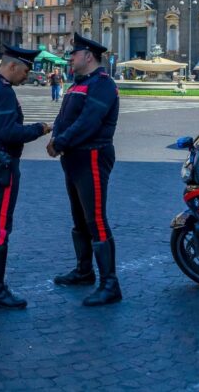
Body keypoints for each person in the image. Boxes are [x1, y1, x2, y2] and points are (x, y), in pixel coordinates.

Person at [0, 45, 53, 309]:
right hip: (1, 166)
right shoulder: (3, 92)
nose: (27, 75)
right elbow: (9, 133)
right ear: (13, 65)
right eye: (26, 70)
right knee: (0, 228)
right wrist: (40, 128)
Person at [48, 33, 122, 306]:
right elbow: (64, 116)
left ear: (88, 56)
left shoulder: (102, 84)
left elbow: (89, 122)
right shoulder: (79, 83)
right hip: (74, 157)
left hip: (92, 155)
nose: (70, 58)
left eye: (73, 54)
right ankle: (84, 271)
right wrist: (57, 137)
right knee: (79, 218)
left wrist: (60, 141)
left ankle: (110, 284)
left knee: (95, 218)